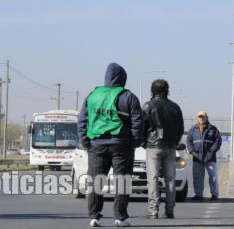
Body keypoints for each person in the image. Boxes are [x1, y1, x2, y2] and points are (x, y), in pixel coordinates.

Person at [78, 63, 143, 227]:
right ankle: (120, 218)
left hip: (96, 145)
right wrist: (134, 143)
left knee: (96, 181)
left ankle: (94, 217)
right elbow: (137, 123)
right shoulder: (128, 96)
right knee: (122, 181)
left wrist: (86, 142)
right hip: (121, 146)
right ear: (123, 78)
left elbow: (82, 121)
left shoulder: (92, 95)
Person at [142, 79, 184, 219]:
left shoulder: (148, 106)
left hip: (153, 147)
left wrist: (143, 143)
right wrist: (174, 142)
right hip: (170, 147)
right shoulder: (175, 107)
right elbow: (180, 129)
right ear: (167, 90)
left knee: (152, 178)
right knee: (170, 179)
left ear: (152, 90)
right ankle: (170, 210)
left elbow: (142, 127)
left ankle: (153, 210)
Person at [187, 111, 222, 201]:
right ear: (197, 118)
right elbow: (189, 142)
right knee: (197, 177)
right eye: (200, 117)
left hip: (210, 158)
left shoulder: (213, 129)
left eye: (203, 117)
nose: (201, 118)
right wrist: (193, 152)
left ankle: (214, 195)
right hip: (197, 158)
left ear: (207, 117)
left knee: (213, 176)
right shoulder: (192, 130)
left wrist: (210, 153)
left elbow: (218, 142)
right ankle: (198, 195)